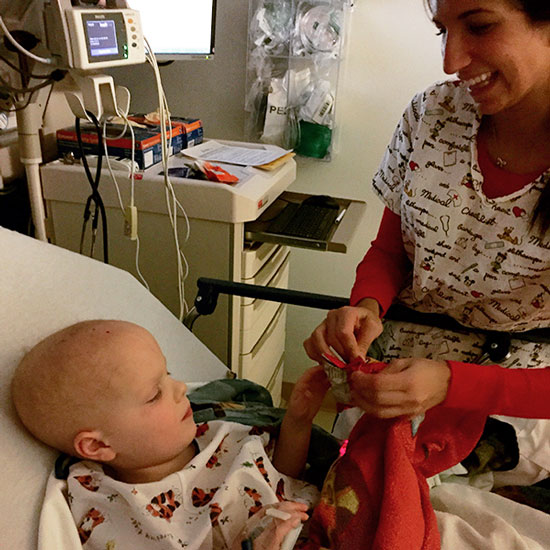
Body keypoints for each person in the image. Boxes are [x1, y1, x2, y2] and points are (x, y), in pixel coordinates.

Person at [304, 0, 550, 486]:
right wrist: (366, 308)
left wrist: (452, 383)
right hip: (400, 366)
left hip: (519, 392)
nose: (451, 62)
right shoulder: (432, 115)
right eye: (443, 32)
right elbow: (391, 253)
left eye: (479, 26)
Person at [11, 319, 330, 550]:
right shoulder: (106, 512)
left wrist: (297, 423)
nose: (180, 389)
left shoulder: (218, 432)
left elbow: (282, 476)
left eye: (169, 375)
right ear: (98, 445)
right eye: (154, 394)